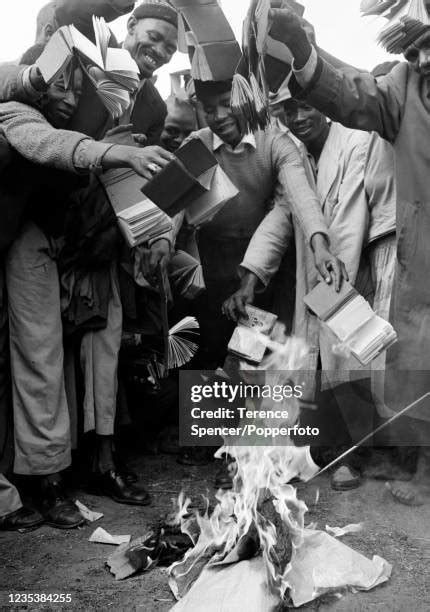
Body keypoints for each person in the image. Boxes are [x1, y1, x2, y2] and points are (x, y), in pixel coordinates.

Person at [0, 56, 174, 527]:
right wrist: (114, 152)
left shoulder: (146, 103)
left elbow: (142, 189)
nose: (72, 98)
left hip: (94, 236)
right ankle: (47, 478)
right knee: (40, 354)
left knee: (103, 350)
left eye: (78, 90)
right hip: (31, 232)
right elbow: (50, 144)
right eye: (62, 87)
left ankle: (101, 461)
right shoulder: (19, 106)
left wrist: (159, 234)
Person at [268, 5, 430, 505]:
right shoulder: (404, 88)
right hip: (419, 255)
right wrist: (301, 50)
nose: (421, 58)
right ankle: (421, 467)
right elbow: (352, 93)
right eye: (413, 49)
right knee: (416, 356)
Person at [178, 78, 346, 371]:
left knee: (247, 355)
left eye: (226, 105)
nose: (219, 117)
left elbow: (300, 195)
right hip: (210, 263)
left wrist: (320, 244)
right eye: (209, 109)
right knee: (210, 351)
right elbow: (175, 207)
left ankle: (247, 408)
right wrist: (162, 242)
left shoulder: (275, 142)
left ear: (246, 100)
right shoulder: (196, 145)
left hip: (260, 264)